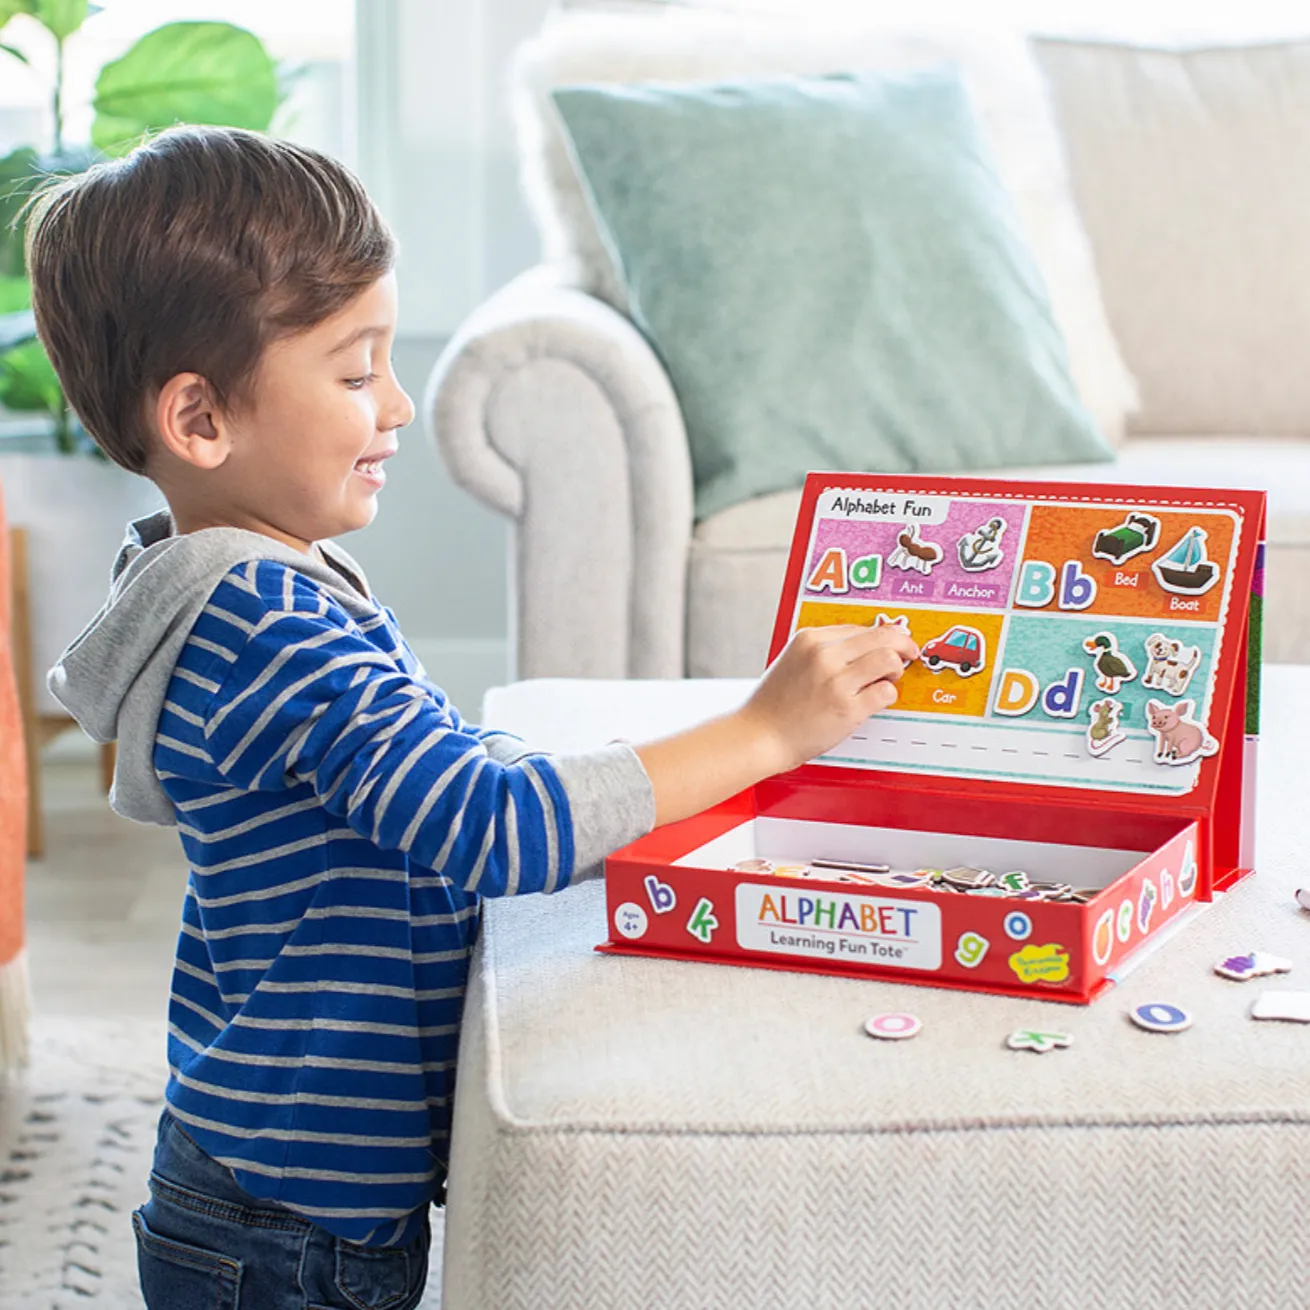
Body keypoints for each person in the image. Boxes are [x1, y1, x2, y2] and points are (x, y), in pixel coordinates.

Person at [27, 126, 916, 1310]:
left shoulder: (259, 578)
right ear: (199, 420)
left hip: (276, 1184)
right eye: (354, 372)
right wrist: (761, 732)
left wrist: (636, 777)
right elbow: (491, 825)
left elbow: (429, 767)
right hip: (287, 1226)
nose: (395, 402)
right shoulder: (264, 618)